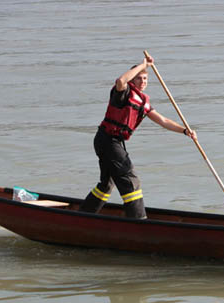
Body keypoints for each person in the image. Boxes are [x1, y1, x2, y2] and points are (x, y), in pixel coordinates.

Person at [79, 55, 197, 219]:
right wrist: (142, 65)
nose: (143, 81)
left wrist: (185, 131)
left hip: (112, 142)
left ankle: (84, 215)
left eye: (145, 78)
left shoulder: (143, 101)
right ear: (132, 80)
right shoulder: (123, 93)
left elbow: (163, 121)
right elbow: (121, 81)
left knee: (107, 185)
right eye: (139, 78)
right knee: (131, 179)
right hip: (107, 140)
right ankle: (138, 221)